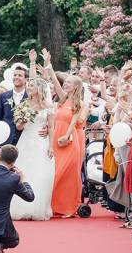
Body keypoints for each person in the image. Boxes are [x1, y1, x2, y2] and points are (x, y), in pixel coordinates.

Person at [45, 49, 88, 218]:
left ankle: (69, 208)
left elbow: (75, 122)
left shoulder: (81, 104)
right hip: (55, 139)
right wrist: (48, 64)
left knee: (67, 174)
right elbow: (55, 81)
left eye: (69, 82)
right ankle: (55, 205)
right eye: (66, 82)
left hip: (70, 141)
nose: (66, 84)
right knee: (55, 172)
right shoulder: (63, 98)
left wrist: (66, 136)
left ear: (76, 86)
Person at [10, 77, 55, 220]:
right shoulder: (24, 104)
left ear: (40, 88)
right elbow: (18, 127)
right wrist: (23, 119)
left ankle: (36, 208)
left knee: (41, 173)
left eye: (32, 85)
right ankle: (20, 207)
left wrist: (51, 146)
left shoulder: (48, 105)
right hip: (26, 141)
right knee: (24, 171)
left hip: (41, 142)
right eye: (28, 85)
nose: (29, 87)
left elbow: (52, 127)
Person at [0, 65, 28, 145]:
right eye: (15, 75)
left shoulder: (29, 97)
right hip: (5, 139)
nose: (16, 77)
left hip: (24, 139)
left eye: (20, 75)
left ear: (26, 79)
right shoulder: (3, 96)